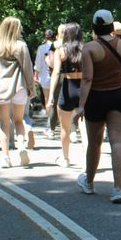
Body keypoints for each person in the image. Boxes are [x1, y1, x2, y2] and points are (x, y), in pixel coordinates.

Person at [76, 10, 121, 203]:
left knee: (95, 142)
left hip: (96, 97)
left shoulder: (89, 48)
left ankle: (90, 183)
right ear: (111, 26)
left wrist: (81, 105)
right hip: (118, 95)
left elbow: (87, 78)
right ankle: (117, 189)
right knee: (118, 142)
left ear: (93, 27)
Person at [0, 17, 34, 168]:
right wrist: (31, 88)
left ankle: (5, 157)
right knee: (19, 121)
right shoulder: (21, 46)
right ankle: (21, 146)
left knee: (4, 123)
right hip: (19, 87)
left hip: (1, 89)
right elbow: (28, 68)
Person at [47, 22, 84, 168]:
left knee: (65, 127)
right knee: (85, 127)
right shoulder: (86, 50)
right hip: (83, 88)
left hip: (68, 88)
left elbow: (56, 73)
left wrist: (50, 95)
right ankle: (88, 158)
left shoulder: (60, 51)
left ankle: (66, 158)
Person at [34, 29, 58, 139]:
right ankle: (54, 122)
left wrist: (35, 75)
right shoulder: (58, 46)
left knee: (48, 99)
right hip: (56, 76)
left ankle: (50, 123)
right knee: (57, 100)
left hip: (44, 76)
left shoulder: (41, 48)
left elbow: (38, 63)